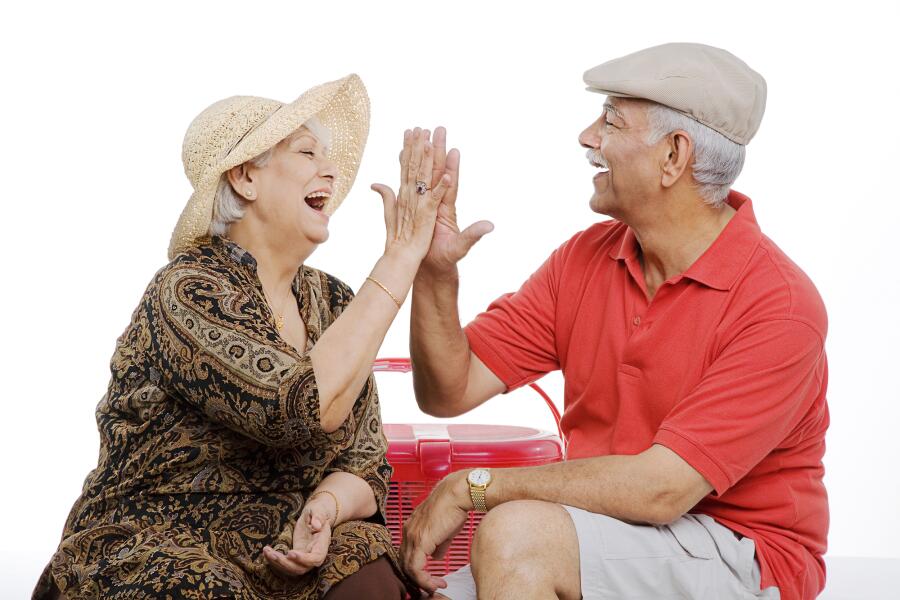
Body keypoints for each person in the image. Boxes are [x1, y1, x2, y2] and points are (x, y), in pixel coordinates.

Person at [402, 44, 828, 600]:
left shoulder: (779, 306)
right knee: (430, 589)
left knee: (516, 534)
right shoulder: (586, 258)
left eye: (611, 120)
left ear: (673, 155)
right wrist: (434, 272)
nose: (588, 137)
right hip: (604, 528)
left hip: (739, 552)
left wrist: (473, 487)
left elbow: (662, 491)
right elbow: (448, 390)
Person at [33, 74, 449, 599]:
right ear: (245, 178)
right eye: (307, 152)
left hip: (291, 535)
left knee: (368, 572)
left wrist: (326, 507)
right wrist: (400, 257)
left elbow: (366, 465)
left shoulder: (336, 301)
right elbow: (296, 407)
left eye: (327, 156)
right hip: (165, 537)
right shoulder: (188, 289)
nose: (331, 169)